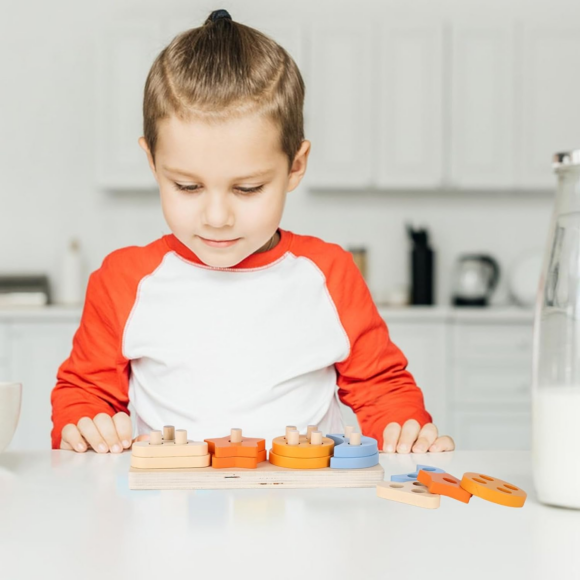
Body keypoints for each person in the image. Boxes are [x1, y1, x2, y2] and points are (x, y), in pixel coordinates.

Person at [50, 9, 455, 456]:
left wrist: (404, 427)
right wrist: (84, 426)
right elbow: (84, 394)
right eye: (188, 186)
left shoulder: (328, 274)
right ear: (152, 162)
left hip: (301, 512)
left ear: (295, 166)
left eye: (247, 188)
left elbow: (382, 388)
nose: (217, 216)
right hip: (163, 515)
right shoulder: (123, 280)